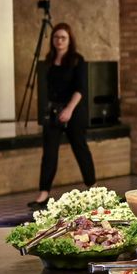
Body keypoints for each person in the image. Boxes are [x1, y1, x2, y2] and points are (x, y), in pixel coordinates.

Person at [28, 22, 96, 209]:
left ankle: (93, 187)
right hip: (53, 112)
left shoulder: (77, 60)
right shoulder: (49, 59)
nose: (59, 41)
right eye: (56, 37)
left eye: (63, 38)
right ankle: (43, 193)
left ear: (69, 40)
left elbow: (80, 89)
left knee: (80, 148)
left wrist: (69, 109)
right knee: (49, 153)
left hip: (73, 111)